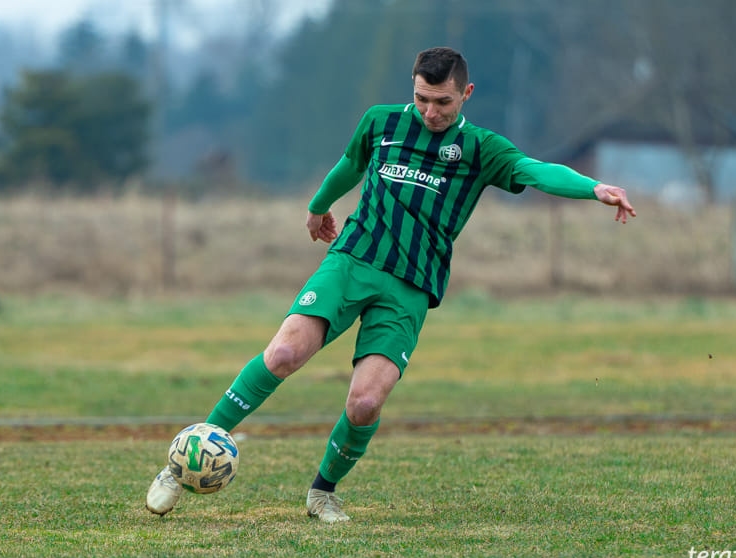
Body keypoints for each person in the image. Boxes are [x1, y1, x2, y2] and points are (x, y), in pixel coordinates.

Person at [146, 46, 636, 523]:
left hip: (411, 286)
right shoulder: (381, 121)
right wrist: (318, 206)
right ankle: (179, 466)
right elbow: (350, 165)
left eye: (443, 101)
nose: (430, 111)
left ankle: (322, 494)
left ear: (465, 93)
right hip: (353, 259)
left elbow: (535, 171)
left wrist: (593, 188)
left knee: (364, 403)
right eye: (422, 98)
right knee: (284, 354)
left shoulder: (482, 149)